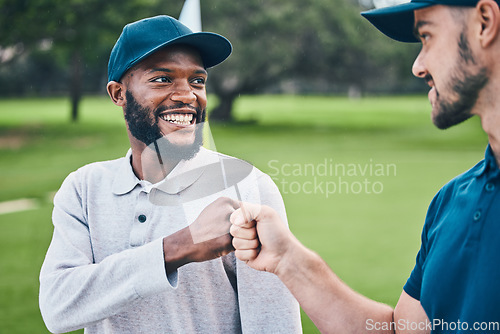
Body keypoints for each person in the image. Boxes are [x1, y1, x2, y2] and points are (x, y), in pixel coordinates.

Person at [230, 0, 500, 333]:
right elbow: (401, 331)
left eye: (426, 36)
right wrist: (288, 259)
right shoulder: (453, 201)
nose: (418, 66)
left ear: (485, 22)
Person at [39, 15, 301, 334]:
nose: (187, 95)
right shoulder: (84, 189)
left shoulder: (246, 186)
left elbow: (273, 325)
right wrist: (178, 247)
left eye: (197, 80)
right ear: (118, 93)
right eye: (163, 79)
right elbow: (58, 308)